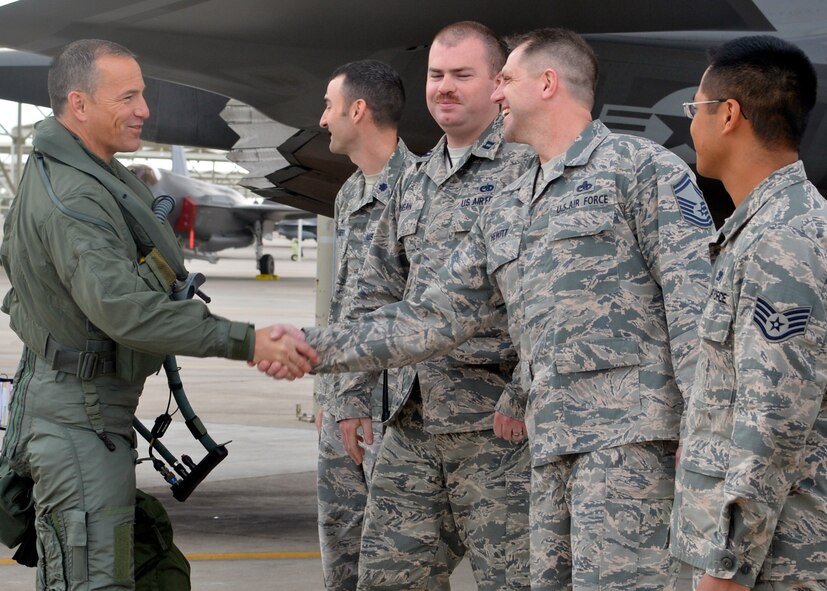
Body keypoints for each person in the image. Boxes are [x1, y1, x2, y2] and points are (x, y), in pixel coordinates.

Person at [263, 27, 714, 591]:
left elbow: (699, 317)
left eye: (505, 81)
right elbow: (431, 316)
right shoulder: (508, 204)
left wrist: (705, 446)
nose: (497, 95)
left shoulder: (642, 170)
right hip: (547, 448)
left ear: (547, 84)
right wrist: (310, 346)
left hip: (628, 447)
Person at [0, 39, 314, 590]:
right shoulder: (76, 198)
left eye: (142, 94)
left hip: (90, 411)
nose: (145, 109)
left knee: (153, 570)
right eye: (128, 97)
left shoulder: (97, 175)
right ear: (79, 105)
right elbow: (126, 312)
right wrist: (249, 342)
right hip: (80, 422)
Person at [670, 36, 827, 591]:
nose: (690, 125)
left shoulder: (781, 240)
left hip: (779, 560)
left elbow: (772, 420)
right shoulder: (766, 227)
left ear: (728, 114)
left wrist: (728, 567)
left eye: (695, 109)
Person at [314, 59, 418, 590]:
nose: (322, 119)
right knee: (341, 549)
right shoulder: (350, 192)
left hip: (389, 410)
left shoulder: (419, 191)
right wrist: (330, 398)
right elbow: (343, 308)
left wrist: (357, 402)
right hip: (343, 406)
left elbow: (412, 312)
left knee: (392, 559)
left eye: (330, 106)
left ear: (358, 110)